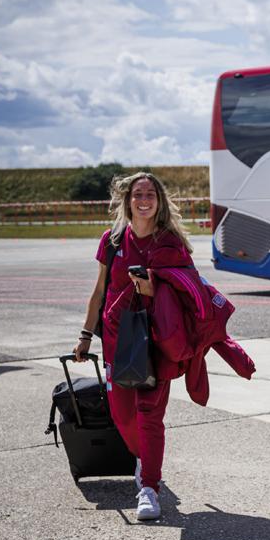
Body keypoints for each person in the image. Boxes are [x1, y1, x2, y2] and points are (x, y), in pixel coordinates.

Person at [72, 172, 194, 521]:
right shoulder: (111, 241)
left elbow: (188, 291)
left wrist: (153, 288)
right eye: (138, 194)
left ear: (160, 200)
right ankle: (145, 458)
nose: (144, 200)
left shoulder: (171, 242)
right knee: (124, 416)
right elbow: (98, 292)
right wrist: (84, 334)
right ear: (127, 201)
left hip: (158, 342)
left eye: (151, 193)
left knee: (150, 416)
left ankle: (150, 489)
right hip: (118, 342)